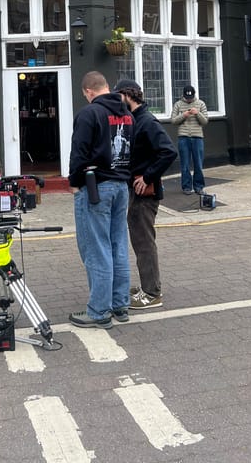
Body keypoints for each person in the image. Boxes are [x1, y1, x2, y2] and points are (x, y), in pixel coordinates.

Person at [68, 71, 134, 329]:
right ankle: (120, 305)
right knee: (118, 244)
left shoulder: (89, 113)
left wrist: (74, 183)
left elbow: (79, 152)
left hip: (96, 186)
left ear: (88, 92)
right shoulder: (127, 114)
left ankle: (98, 310)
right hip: (121, 185)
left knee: (96, 248)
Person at [114, 79, 177, 310]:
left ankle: (152, 293)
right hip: (135, 190)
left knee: (143, 242)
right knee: (140, 240)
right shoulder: (135, 119)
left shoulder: (147, 121)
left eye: (117, 96)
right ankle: (146, 286)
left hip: (145, 193)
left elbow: (169, 152)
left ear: (127, 95)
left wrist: (147, 177)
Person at [171, 85, 209, 195]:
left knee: (198, 163)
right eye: (187, 98)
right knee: (185, 164)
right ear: (183, 96)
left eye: (191, 97)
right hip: (183, 137)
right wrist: (184, 115)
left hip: (198, 137)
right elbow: (173, 120)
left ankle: (199, 186)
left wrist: (197, 113)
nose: (189, 99)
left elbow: (205, 121)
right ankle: (186, 187)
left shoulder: (201, 104)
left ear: (194, 95)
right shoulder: (178, 104)